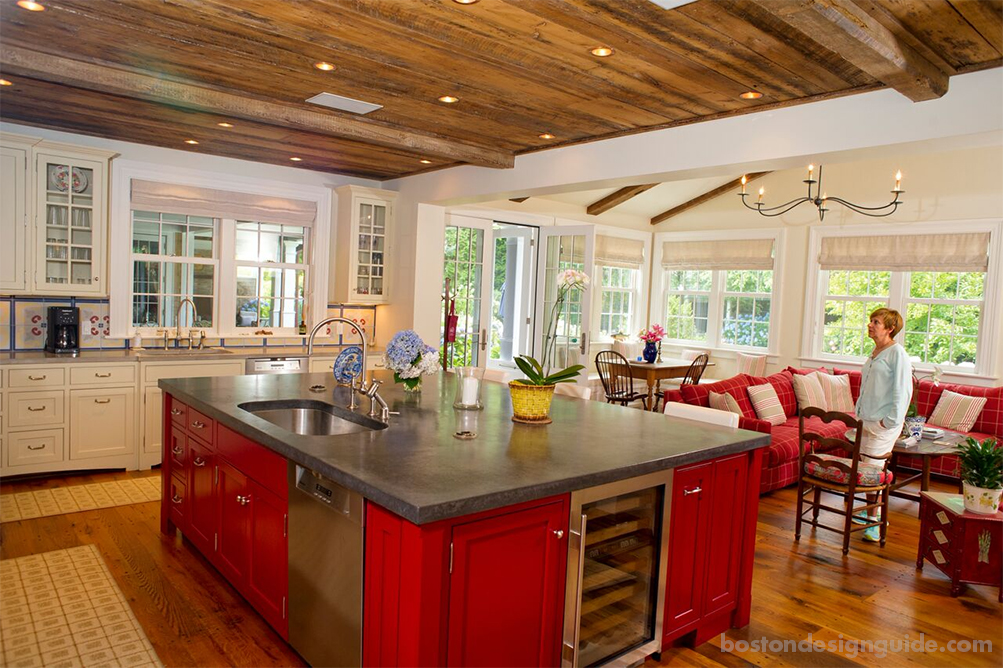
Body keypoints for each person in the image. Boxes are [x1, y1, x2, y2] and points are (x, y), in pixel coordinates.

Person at [854, 307, 912, 542]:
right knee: (865, 469)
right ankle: (871, 515)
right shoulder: (876, 351)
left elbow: (903, 391)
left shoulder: (897, 353)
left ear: (889, 328)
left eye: (876, 322)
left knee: (873, 470)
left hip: (882, 423)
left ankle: (875, 523)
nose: (870, 325)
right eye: (871, 321)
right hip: (865, 419)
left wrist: (889, 421)